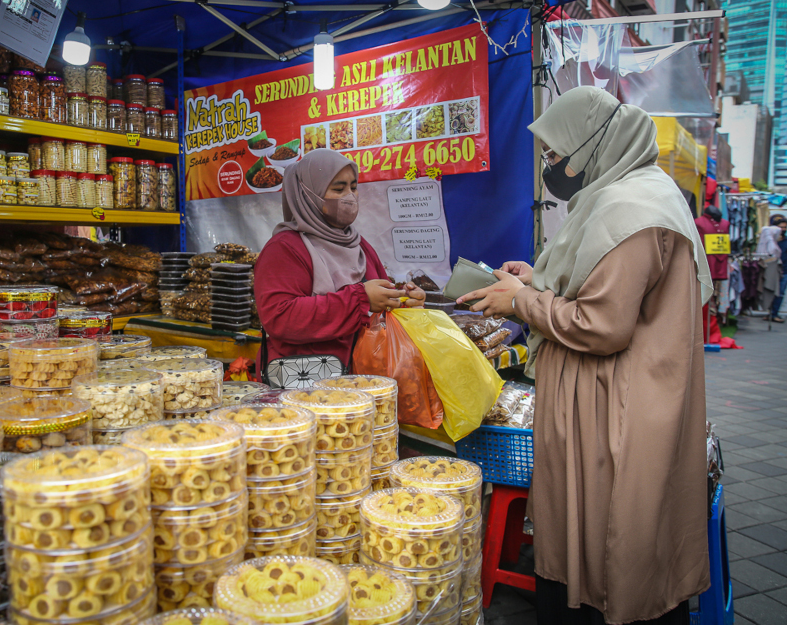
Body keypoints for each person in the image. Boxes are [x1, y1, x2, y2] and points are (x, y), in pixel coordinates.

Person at [457, 87, 713, 625]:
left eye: (555, 154)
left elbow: (602, 324)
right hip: (618, 398)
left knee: (610, 539)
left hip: (616, 411)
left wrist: (522, 301)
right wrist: (538, 279)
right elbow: (600, 285)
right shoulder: (629, 192)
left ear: (594, 145)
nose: (552, 167)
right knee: (604, 533)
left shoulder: (629, 210)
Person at [254, 148, 425, 371]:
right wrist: (359, 299)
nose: (350, 196)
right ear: (308, 194)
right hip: (305, 384)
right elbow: (280, 317)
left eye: (353, 187)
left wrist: (404, 299)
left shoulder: (359, 245)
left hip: (362, 376)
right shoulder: (284, 248)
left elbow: (382, 301)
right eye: (338, 189)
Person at [694, 205, 731, 328]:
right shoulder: (698, 222)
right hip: (706, 264)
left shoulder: (726, 223)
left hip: (721, 264)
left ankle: (717, 320)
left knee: (718, 293)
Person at [758, 216, 786, 322]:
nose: (783, 229)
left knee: (780, 293)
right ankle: (769, 312)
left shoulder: (784, 241)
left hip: (783, 270)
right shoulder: (770, 241)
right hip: (771, 269)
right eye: (781, 227)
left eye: (785, 227)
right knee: (769, 289)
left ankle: (774, 313)